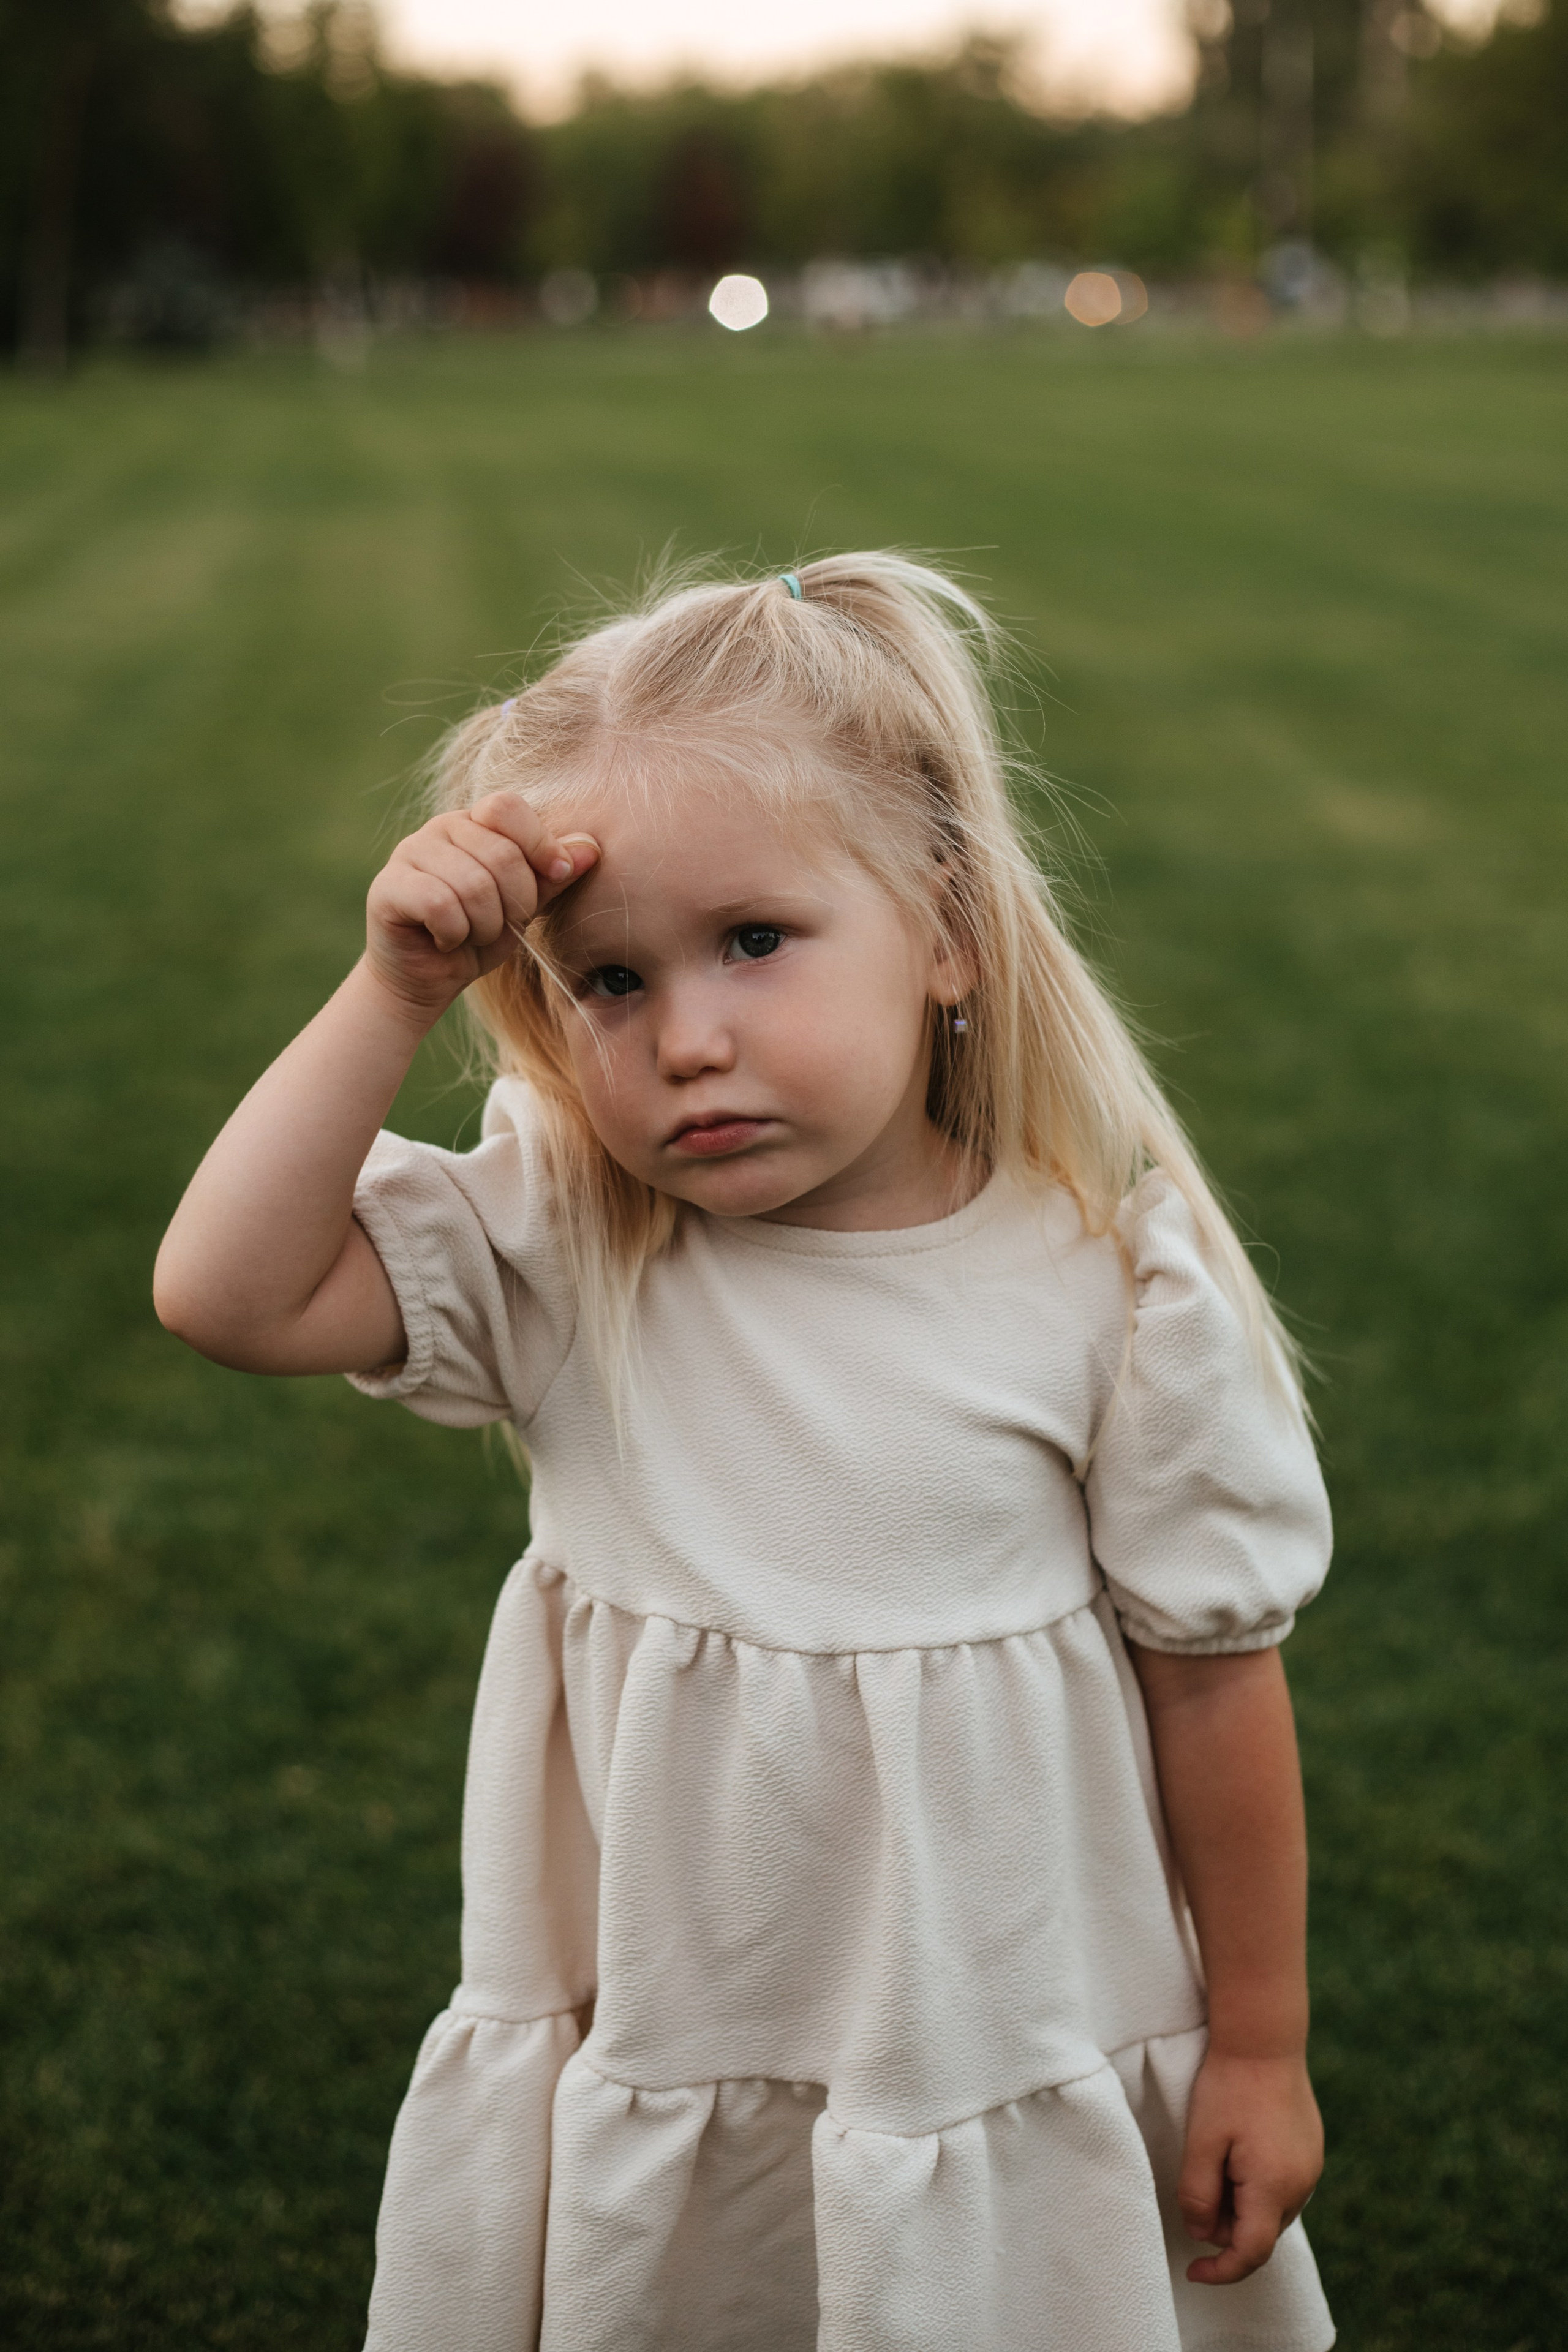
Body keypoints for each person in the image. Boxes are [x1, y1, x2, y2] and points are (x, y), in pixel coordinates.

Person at [154, 554, 1335, 2352]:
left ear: (945, 930)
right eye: (608, 982)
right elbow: (224, 1292)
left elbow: (1212, 1685)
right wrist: (393, 993)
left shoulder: (1105, 1285)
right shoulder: (574, 1239)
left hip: (980, 2031)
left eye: (755, 943)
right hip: (672, 2025)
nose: (686, 1037)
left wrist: (1256, 2042)